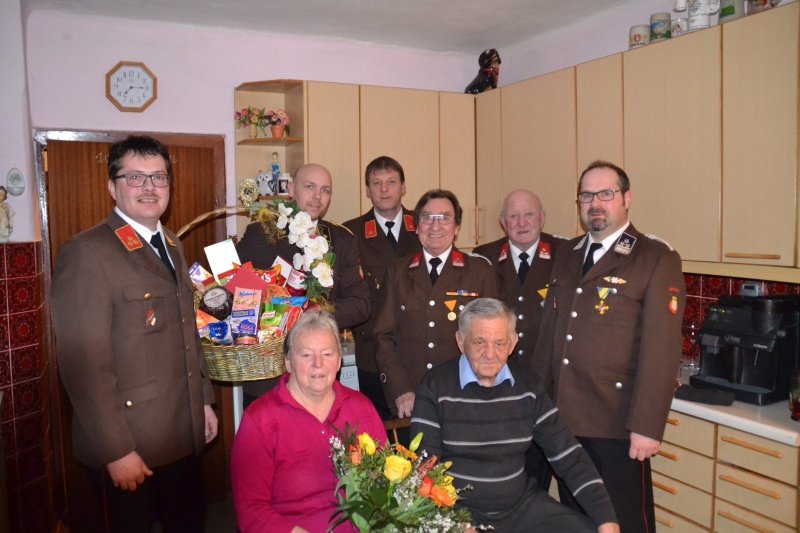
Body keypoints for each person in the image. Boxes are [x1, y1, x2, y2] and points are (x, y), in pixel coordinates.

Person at [51, 135, 218, 532]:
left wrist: (205, 402)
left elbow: (187, 333)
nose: (149, 188)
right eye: (135, 177)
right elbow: (83, 364)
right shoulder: (88, 252)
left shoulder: (172, 242)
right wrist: (116, 451)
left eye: (158, 177)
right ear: (112, 186)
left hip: (182, 433)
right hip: (130, 446)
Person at [531, 160, 685, 532]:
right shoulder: (567, 253)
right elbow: (550, 336)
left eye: (606, 194)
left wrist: (648, 426)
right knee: (580, 519)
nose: (595, 203)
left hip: (616, 423)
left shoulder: (654, 259)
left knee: (624, 521)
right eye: (587, 195)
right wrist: (532, 400)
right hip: (563, 419)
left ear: (627, 199)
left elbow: (662, 351)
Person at [411, 298, 619, 533]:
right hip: (459, 509)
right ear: (461, 341)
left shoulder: (529, 387)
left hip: (521, 508)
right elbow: (424, 468)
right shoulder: (435, 387)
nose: (490, 354)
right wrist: (454, 523)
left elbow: (569, 456)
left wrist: (606, 520)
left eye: (499, 343)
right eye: (480, 342)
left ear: (512, 344)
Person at [230, 309, 388, 533]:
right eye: (306, 355)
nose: (318, 364)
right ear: (287, 362)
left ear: (339, 361)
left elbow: (385, 485)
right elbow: (251, 513)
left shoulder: (361, 407)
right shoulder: (260, 420)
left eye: (327, 354)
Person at [237, 163, 371, 403]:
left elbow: (361, 304)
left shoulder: (341, 240)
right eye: (309, 187)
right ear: (291, 189)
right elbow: (232, 292)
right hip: (268, 375)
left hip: (321, 376)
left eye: (325, 190)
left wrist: (314, 314)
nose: (317, 197)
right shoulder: (260, 234)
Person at [373, 189, 498, 419]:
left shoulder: (480, 272)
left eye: (444, 218)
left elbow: (492, 339)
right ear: (416, 226)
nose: (435, 226)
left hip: (465, 397)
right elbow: (383, 336)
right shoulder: (397, 271)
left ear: (457, 227)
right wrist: (400, 389)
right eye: (427, 217)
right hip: (411, 400)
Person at [473, 189, 563, 491]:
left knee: (538, 478)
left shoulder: (566, 255)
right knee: (501, 476)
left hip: (547, 388)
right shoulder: (482, 258)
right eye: (513, 216)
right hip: (497, 388)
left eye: (529, 214)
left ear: (542, 218)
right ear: (502, 222)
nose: (521, 222)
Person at [343, 156, 421, 420]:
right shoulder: (350, 233)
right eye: (377, 183)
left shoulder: (426, 226)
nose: (384, 189)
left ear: (404, 187)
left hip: (418, 349)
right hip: (372, 354)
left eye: (391, 182)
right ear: (367, 190)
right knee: (378, 436)